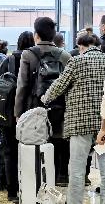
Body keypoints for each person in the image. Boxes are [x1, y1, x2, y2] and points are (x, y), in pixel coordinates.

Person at [41, 27, 105, 204]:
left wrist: (45, 98)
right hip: (103, 125)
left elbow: (59, 86)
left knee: (76, 169)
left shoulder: (76, 61)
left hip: (80, 123)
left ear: (81, 46)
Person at [14, 17, 71, 186]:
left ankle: (36, 187)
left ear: (36, 35)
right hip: (60, 110)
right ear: (54, 35)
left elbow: (22, 86)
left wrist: (18, 113)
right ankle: (55, 184)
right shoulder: (65, 56)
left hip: (35, 110)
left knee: (35, 148)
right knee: (57, 147)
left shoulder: (28, 54)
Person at [0, 31, 35, 201]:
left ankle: (12, 191)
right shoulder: (36, 58)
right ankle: (30, 188)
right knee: (31, 150)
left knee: (10, 151)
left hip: (9, 113)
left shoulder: (10, 60)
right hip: (32, 111)